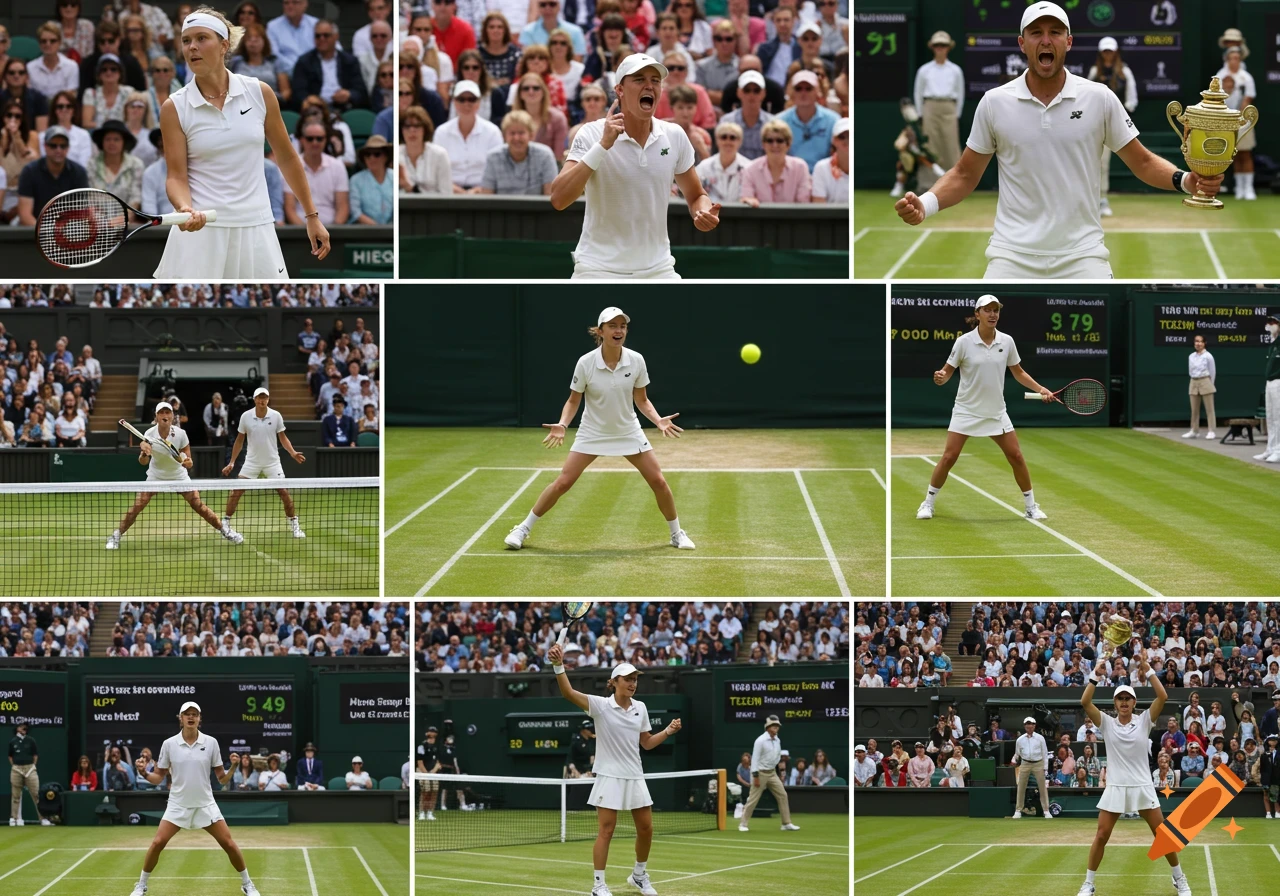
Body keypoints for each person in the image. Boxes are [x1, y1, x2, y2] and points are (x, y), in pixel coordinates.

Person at [895, 1, 1223, 279]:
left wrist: (1186, 180)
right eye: (1037, 33)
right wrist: (926, 203)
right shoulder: (994, 102)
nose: (1046, 40)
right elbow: (966, 174)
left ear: (1068, 41)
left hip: (1084, 257)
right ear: (1023, 43)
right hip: (1010, 257)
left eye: (1055, 32)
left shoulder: (1100, 98)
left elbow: (1143, 161)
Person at [155, 7, 330, 278]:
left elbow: (286, 157)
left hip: (256, 227)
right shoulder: (173, 107)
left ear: (224, 45)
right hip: (203, 233)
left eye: (202, 38)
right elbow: (176, 176)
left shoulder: (260, 93)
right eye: (186, 40)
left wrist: (311, 216)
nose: (192, 47)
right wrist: (184, 207)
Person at [503, 306, 695, 551]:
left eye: (622, 326)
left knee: (658, 481)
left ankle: (676, 534)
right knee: (563, 483)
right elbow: (574, 400)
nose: (619, 330)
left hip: (628, 431)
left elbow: (642, 399)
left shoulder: (636, 360)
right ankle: (523, 529)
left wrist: (657, 420)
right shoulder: (586, 363)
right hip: (592, 432)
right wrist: (563, 424)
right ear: (600, 331)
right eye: (613, 326)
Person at [552, 54, 719, 279]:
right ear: (620, 90)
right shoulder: (591, 133)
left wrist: (702, 211)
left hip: (659, 270)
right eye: (639, 79)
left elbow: (696, 194)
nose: (649, 85)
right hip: (598, 269)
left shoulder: (675, 135)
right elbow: (559, 198)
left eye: (655, 80)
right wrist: (603, 146)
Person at [545, 642, 682, 896]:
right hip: (609, 776)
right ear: (614, 682)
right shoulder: (600, 706)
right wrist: (558, 665)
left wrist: (668, 731)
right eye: (628, 679)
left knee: (646, 829)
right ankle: (598, 885)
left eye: (635, 680)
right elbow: (568, 692)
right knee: (606, 831)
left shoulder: (640, 708)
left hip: (635, 775)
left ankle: (639, 875)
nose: (633, 683)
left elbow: (647, 743)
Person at [916, 296, 1053, 521]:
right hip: (966, 410)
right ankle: (928, 503)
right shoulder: (963, 342)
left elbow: (1018, 372)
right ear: (977, 314)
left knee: (1016, 456)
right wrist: (940, 378)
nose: (992, 315)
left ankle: (1030, 506)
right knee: (949, 457)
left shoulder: (1007, 341)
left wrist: (1041, 389)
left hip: (996, 412)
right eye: (987, 310)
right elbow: (946, 372)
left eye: (995, 310)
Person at [1077, 652, 1188, 896]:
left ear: (1134, 703)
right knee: (1102, 835)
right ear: (1115, 703)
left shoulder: (1145, 720)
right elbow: (1085, 702)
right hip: (1116, 786)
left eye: (1128, 698)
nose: (1124, 702)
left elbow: (1163, 695)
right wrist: (1096, 673)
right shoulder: (1106, 722)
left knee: (1162, 835)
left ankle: (1179, 878)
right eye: (1120, 699)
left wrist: (1148, 670)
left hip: (1141, 786)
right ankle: (1089, 883)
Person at [128, 702, 260, 896]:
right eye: (187, 714)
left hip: (205, 804)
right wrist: (144, 773)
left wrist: (233, 767)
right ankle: (141, 885)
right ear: (180, 719)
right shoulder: (169, 744)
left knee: (229, 844)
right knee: (157, 843)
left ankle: (247, 884)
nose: (191, 717)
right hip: (177, 805)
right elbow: (158, 778)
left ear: (200, 719)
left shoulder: (211, 743)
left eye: (195, 714)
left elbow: (222, 778)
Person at [107, 401, 242, 550]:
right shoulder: (149, 434)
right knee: (137, 506)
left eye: (167, 412)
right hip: (155, 476)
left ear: (172, 416)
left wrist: (188, 462)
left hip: (179, 476)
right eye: (161, 413)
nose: (165, 415)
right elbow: (143, 462)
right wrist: (145, 454)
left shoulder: (180, 434)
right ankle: (116, 535)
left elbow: (189, 461)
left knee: (199, 506)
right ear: (156, 417)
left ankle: (225, 531)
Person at [220, 386, 306, 538]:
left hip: (272, 462)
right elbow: (239, 441)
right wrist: (232, 462)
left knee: (284, 493)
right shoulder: (245, 417)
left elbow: (283, 438)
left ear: (268, 399)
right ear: (255, 400)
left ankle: (295, 526)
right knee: (236, 492)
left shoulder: (276, 416)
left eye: (265, 397)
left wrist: (292, 453)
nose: (262, 400)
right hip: (251, 462)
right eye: (259, 397)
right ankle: (225, 523)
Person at [1087, 36, 1137, 217]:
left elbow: (1132, 99)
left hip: (1116, 126)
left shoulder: (1125, 72)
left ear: (1115, 52)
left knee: (1106, 164)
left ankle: (1103, 199)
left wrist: (1120, 115)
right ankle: (1096, 201)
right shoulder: (1094, 72)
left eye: (1110, 51)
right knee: (1097, 163)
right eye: (1105, 51)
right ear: (1101, 53)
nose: (1108, 54)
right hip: (1096, 125)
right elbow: (1086, 99)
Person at [435, 80, 504, 191]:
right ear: (454, 102)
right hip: (448, 193)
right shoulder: (441, 132)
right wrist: (454, 190)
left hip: (485, 193)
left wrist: (478, 191)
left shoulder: (493, 132)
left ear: (479, 103)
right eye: (461, 99)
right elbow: (436, 170)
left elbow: (498, 170)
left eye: (471, 99)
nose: (466, 104)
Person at [291, 21, 367, 112]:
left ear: (336, 37)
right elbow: (298, 92)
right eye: (317, 36)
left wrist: (349, 94)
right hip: (315, 109)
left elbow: (360, 91)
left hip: (344, 109)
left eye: (326, 35)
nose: (321, 39)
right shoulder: (304, 62)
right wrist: (309, 99)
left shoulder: (349, 61)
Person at [738, 714, 798, 831]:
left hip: (772, 773)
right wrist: (755, 776)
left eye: (777, 725)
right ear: (768, 727)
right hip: (759, 773)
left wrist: (780, 772)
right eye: (774, 725)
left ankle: (786, 823)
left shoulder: (777, 740)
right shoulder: (760, 741)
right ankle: (743, 824)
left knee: (783, 795)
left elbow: (776, 757)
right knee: (753, 799)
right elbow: (754, 759)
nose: (776, 727)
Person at [479, 109, 557, 194]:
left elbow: (550, 196)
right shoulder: (493, 157)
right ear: (504, 136)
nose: (516, 138)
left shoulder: (545, 156)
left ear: (531, 135)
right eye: (512, 133)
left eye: (521, 133)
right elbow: (487, 196)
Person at [1217, 47, 1256, 200]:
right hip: (1225, 121)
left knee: (1245, 154)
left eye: (1237, 58)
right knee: (1232, 155)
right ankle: (1239, 189)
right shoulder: (1220, 76)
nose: (1234, 61)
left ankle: (1248, 189)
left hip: (1243, 121)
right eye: (1231, 58)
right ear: (1227, 59)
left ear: (1240, 60)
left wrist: (1240, 117)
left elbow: (1248, 99)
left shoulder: (1246, 78)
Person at [398, 103, 451, 194]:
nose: (412, 130)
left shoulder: (439, 155)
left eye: (417, 126)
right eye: (407, 126)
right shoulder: (395, 154)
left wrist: (408, 187)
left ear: (425, 129)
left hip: (434, 207)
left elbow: (446, 194)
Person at [721, 70, 773, 161]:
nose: (751, 95)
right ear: (739, 92)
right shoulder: (726, 121)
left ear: (763, 93)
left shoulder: (772, 123)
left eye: (756, 90)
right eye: (747, 90)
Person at [695, 120, 745, 203]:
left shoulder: (749, 167)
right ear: (717, 140)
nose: (728, 142)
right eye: (723, 137)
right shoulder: (704, 166)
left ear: (740, 141)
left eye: (732, 138)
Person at [7, 720, 46, 826]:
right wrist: (15, 766)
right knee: (15, 795)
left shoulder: (31, 740)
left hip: (30, 769)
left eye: (25, 726)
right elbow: (10, 756)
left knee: (36, 794)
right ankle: (14, 818)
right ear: (17, 729)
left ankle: (43, 818)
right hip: (16, 769)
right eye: (21, 726)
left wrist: (33, 766)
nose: (24, 728)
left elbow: (35, 755)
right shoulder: (13, 741)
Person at [348, 135, 393, 224]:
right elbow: (355, 212)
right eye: (368, 154)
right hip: (364, 232)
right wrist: (377, 228)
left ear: (386, 156)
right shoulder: (356, 180)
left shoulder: (394, 177)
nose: (371, 158)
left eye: (377, 154)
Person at [1012, 716, 1051, 818]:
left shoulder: (1040, 738)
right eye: (1027, 724)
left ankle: (1046, 810)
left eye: (1031, 724)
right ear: (1025, 726)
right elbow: (1017, 753)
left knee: (1042, 787)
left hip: (1038, 763)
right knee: (1021, 787)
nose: (1029, 726)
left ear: (1034, 726)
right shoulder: (1020, 740)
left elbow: (1045, 753)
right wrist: (1014, 759)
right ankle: (1018, 810)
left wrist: (1045, 768)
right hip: (1025, 763)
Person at [1182, 333, 1217, 440]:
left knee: (1209, 409)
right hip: (1193, 381)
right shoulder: (1191, 356)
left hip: (1205, 381)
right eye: (1196, 341)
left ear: (1204, 343)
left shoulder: (1208, 356)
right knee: (1194, 409)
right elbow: (1190, 370)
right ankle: (1194, 430)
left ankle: (1211, 431)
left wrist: (1210, 384)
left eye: (1200, 341)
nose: (1198, 344)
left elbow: (1212, 371)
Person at [1257, 314, 1280, 464]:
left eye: (1273, 322)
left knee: (1278, 418)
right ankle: (1270, 448)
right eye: (1269, 322)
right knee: (1270, 417)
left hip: (1279, 382)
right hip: (1269, 383)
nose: (1270, 324)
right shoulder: (1272, 343)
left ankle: (1278, 450)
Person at [812, 116, 847, 203]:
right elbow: (819, 207)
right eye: (842, 137)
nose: (847, 140)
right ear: (834, 141)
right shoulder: (821, 168)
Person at [1261, 734, 1280, 818]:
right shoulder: (1264, 754)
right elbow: (1262, 767)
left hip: (1276, 777)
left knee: (1275, 795)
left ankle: (1277, 812)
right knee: (1266, 795)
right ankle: (1268, 812)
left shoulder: (1279, 754)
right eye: (1271, 740)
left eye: (1274, 740)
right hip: (1266, 778)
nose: (1273, 742)